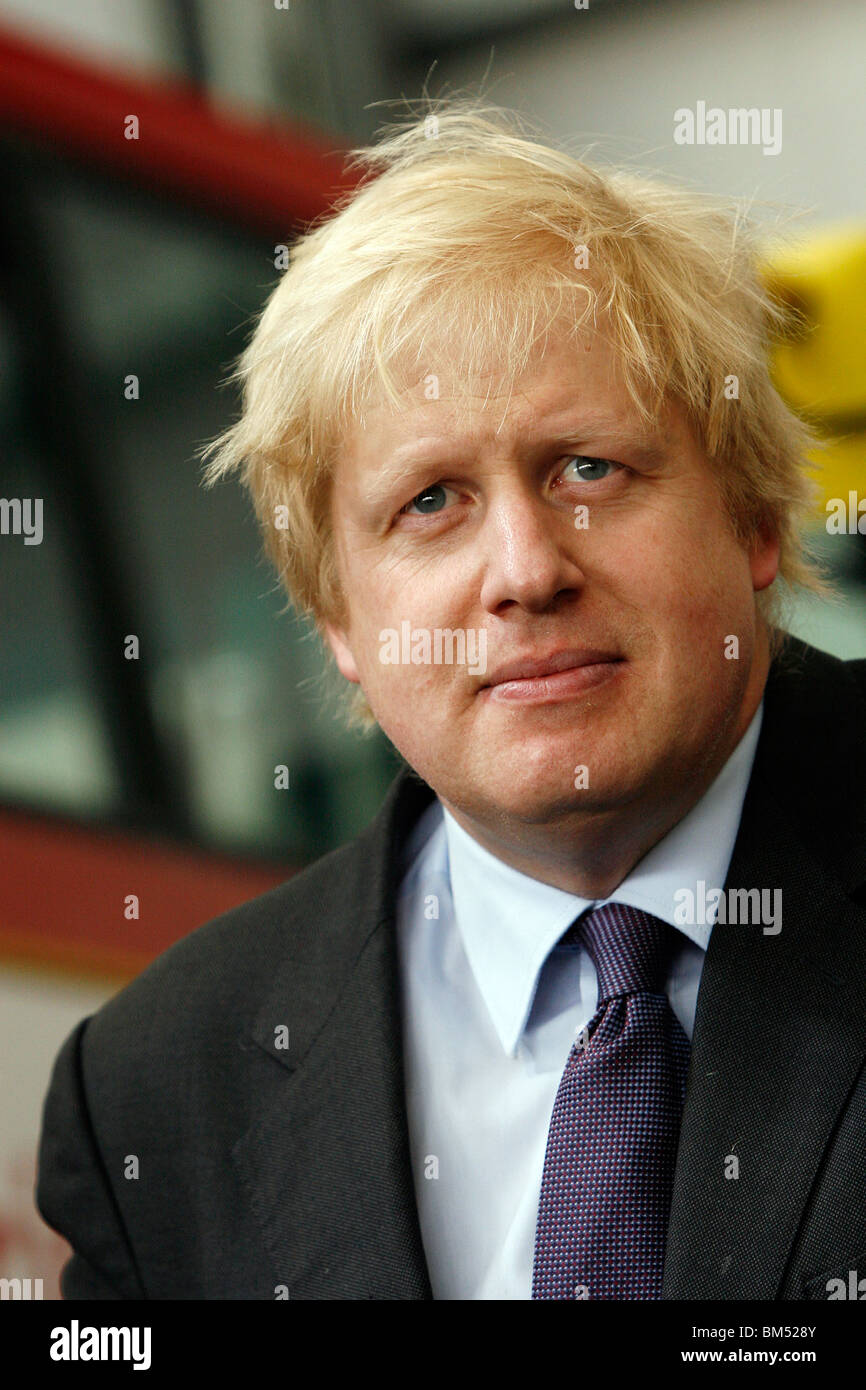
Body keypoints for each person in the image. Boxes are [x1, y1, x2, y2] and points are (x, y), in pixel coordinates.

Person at [36, 103, 866, 1301]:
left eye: (588, 467)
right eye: (428, 502)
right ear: (338, 618)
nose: (526, 571)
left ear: (751, 517)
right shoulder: (154, 1092)